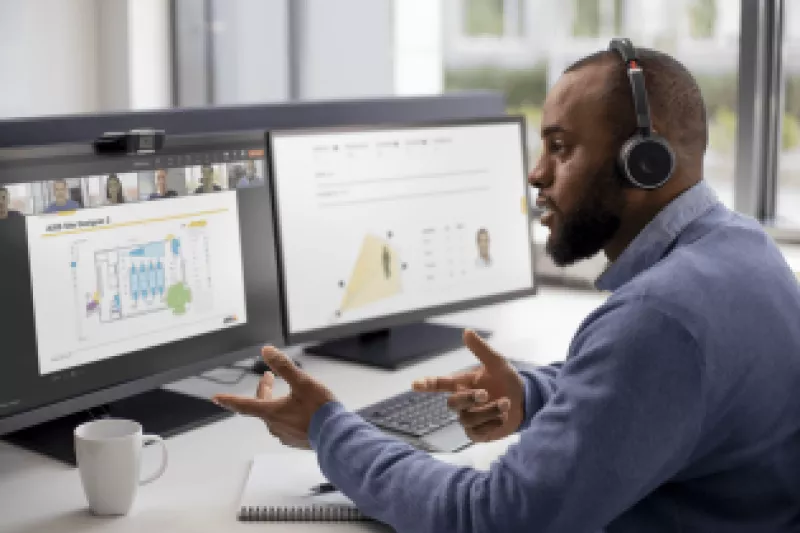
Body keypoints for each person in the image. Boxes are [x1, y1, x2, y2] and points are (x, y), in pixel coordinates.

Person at [213, 41, 800, 532]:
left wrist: (328, 429)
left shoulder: (658, 316)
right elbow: (663, 399)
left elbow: (493, 519)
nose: (536, 173)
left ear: (644, 163)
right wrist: (532, 394)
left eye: (560, 148)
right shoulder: (746, 251)